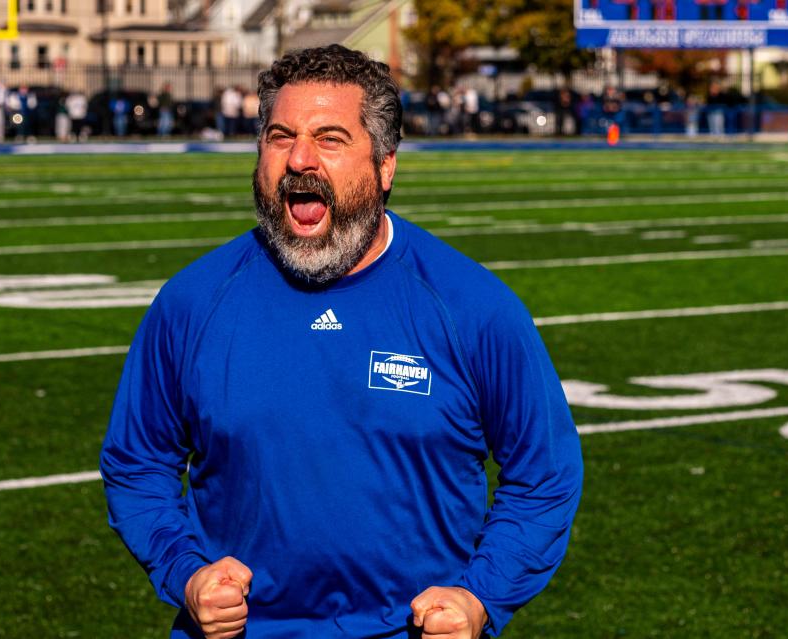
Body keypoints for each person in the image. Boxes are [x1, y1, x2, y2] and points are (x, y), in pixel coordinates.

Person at [101, 44, 582, 639]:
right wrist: (186, 571)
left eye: (330, 138)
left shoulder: (472, 306)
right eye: (280, 137)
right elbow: (136, 462)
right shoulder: (192, 302)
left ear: (385, 166)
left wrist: (477, 597)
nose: (300, 158)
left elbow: (546, 473)